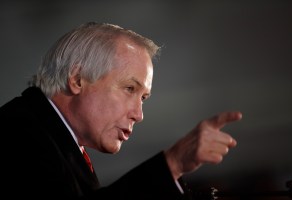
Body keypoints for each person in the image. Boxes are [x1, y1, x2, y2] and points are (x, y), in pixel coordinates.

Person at [0, 22, 242, 199]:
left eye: (143, 98)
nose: (139, 114)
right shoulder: (16, 134)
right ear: (77, 79)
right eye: (129, 88)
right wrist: (172, 164)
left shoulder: (48, 135)